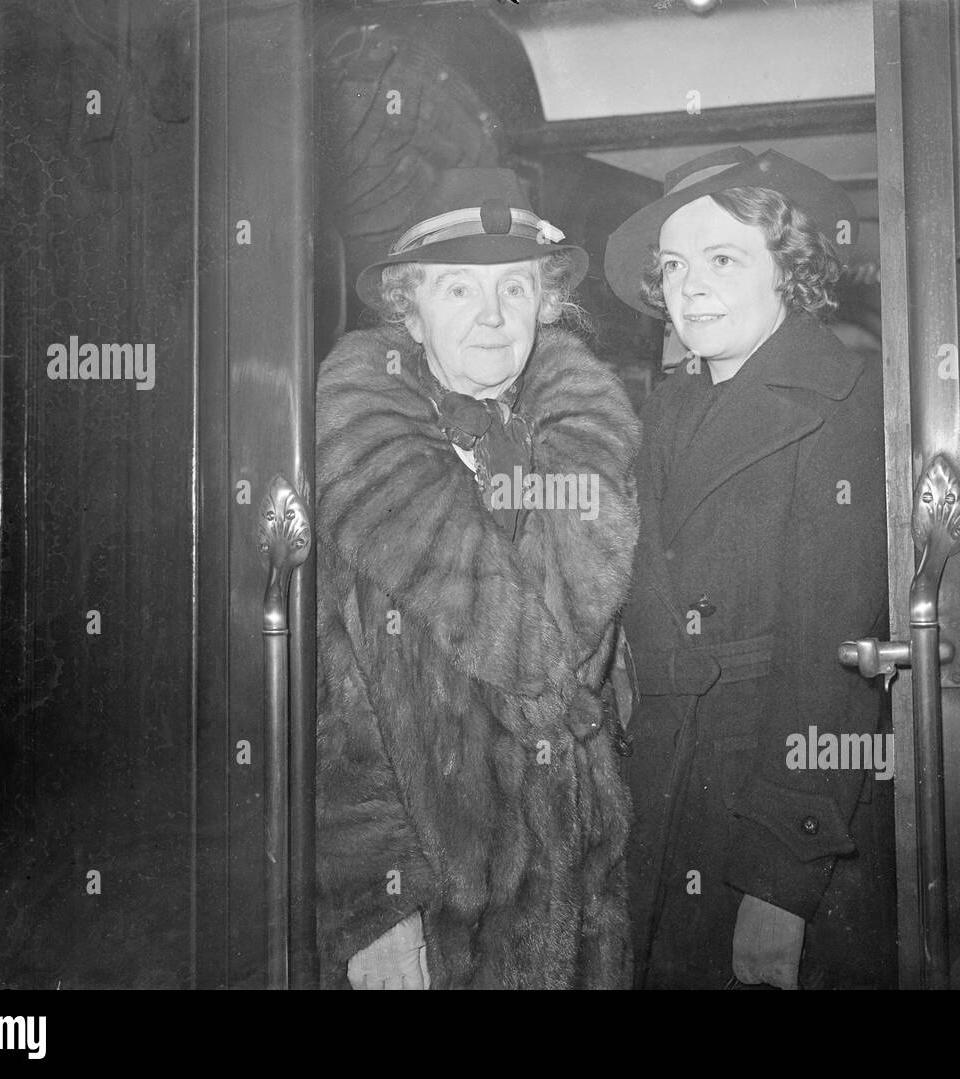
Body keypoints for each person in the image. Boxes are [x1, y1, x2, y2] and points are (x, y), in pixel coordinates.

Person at [315, 168, 640, 989]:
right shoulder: (358, 466)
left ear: (547, 303)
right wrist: (375, 911)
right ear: (410, 310)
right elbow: (332, 720)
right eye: (459, 290)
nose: (493, 318)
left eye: (516, 289)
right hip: (439, 912)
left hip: (584, 897)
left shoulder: (590, 446)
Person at [604, 147, 895, 989]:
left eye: (723, 259)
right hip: (668, 800)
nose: (689, 286)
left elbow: (832, 666)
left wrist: (778, 883)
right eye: (672, 266)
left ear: (788, 271)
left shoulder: (843, 403)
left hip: (770, 819)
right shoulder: (667, 411)